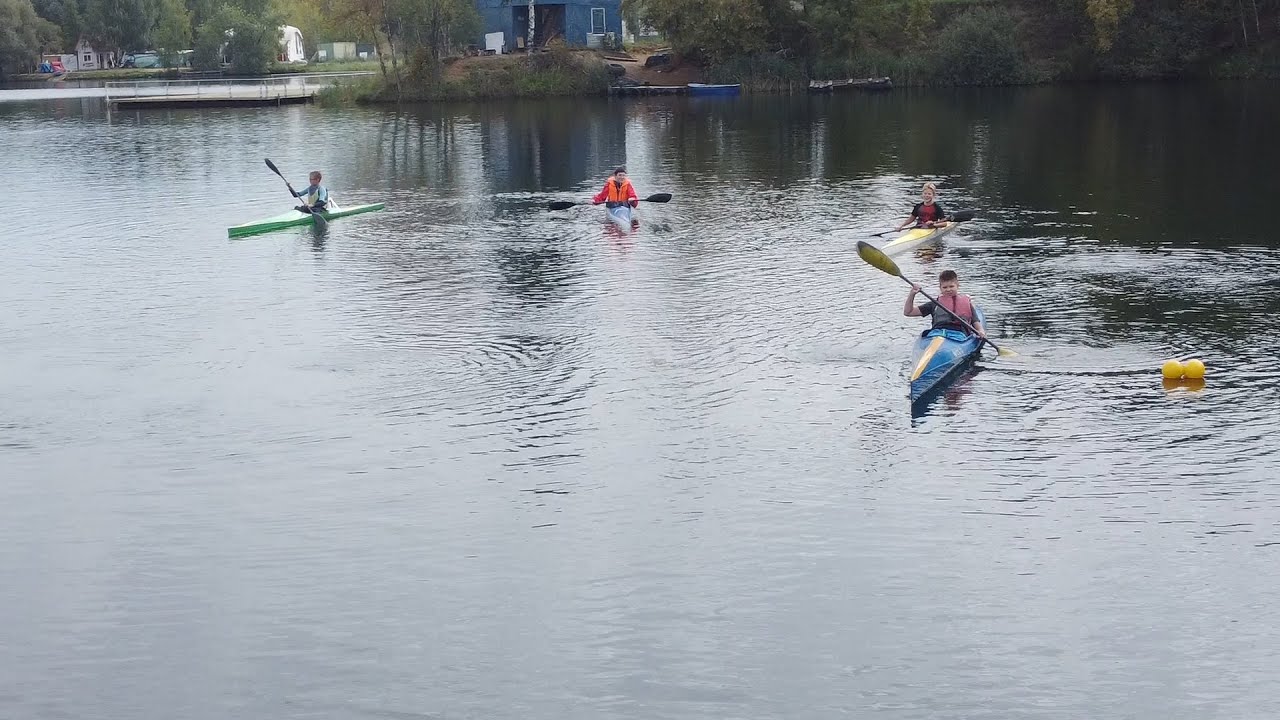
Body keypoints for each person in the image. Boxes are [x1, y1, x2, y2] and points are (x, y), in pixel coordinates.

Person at [904, 269, 986, 338]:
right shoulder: (935, 303)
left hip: (959, 336)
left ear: (957, 285)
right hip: (937, 334)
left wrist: (981, 331)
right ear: (940, 288)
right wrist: (912, 294)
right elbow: (908, 312)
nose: (948, 289)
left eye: (951, 286)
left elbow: (975, 321)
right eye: (945, 287)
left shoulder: (966, 302)